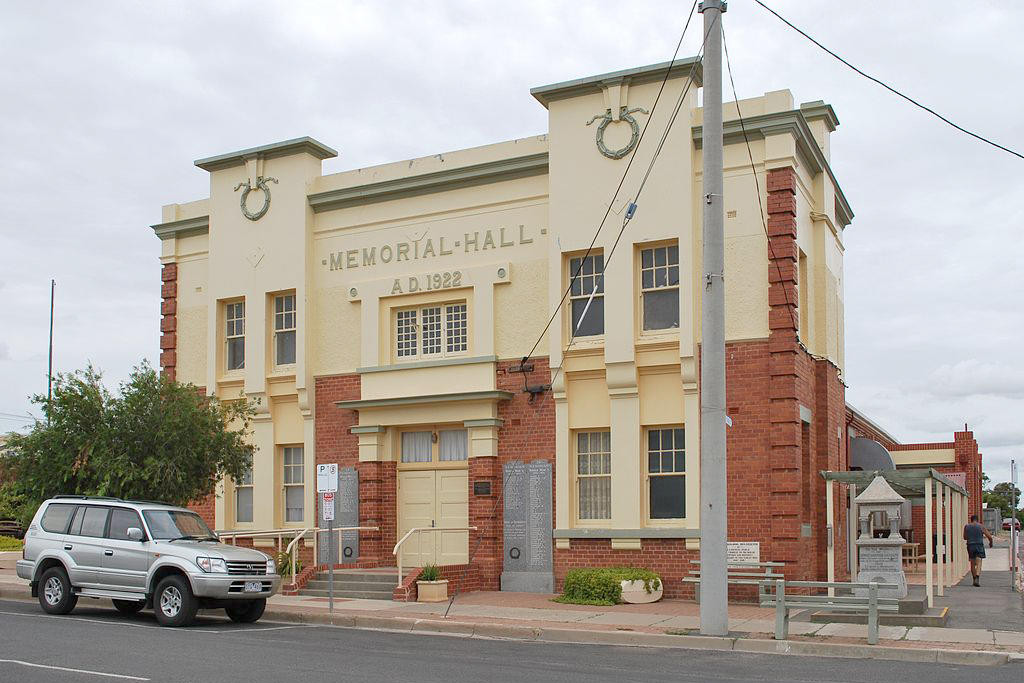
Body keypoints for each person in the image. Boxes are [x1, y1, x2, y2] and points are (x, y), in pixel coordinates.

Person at [963, 514, 994, 587]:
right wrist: (991, 543)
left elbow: (964, 537)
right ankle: (977, 577)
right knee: (979, 561)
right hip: (979, 545)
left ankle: (974, 579)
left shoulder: (966, 526)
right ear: (977, 520)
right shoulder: (981, 526)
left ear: (971, 520)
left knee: (972, 562)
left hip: (970, 545)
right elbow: (989, 536)